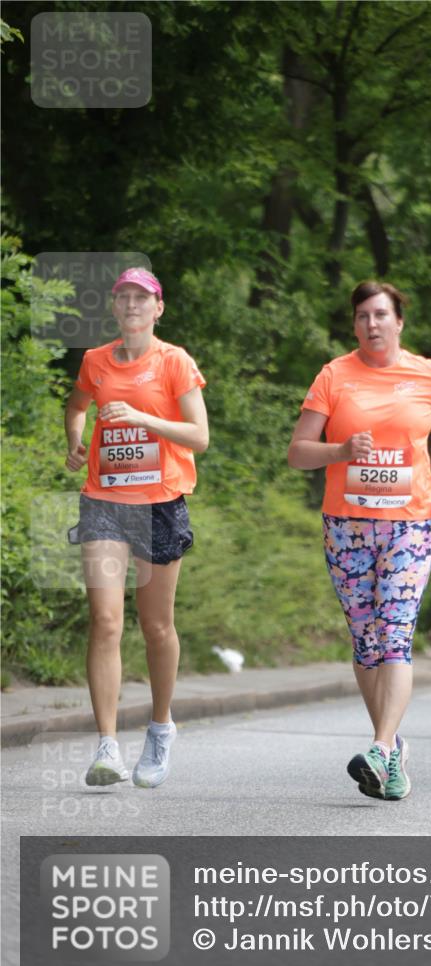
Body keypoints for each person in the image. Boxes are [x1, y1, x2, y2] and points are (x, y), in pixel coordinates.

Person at [288, 280, 431, 800]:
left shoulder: (428, 374)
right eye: (363, 316)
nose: (372, 324)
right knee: (366, 643)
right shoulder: (334, 376)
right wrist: (341, 449)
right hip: (345, 525)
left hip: (409, 523)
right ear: (355, 325)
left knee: (395, 635)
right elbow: (299, 452)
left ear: (399, 322)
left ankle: (379, 745)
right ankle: (391, 753)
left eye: (381, 315)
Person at [64, 267, 209, 788]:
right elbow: (78, 404)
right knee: (104, 620)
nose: (131, 304)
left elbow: (199, 436)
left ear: (157, 309)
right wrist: (76, 441)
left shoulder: (174, 362)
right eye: (123, 296)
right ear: (115, 306)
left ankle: (161, 726)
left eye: (141, 298)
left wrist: (145, 420)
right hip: (103, 500)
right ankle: (107, 745)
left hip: (159, 502)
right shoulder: (95, 361)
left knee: (156, 627)